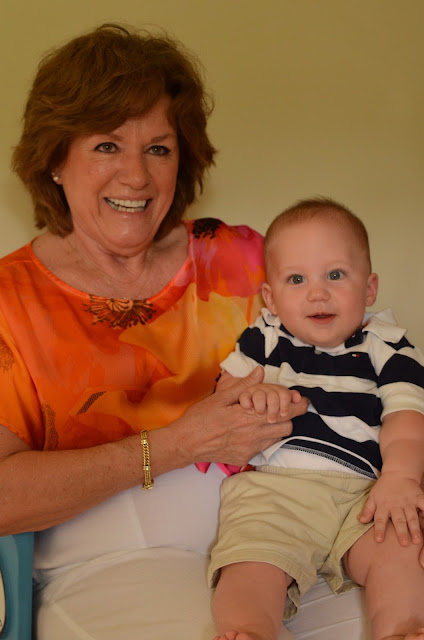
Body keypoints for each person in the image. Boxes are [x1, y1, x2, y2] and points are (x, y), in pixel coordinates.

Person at [0, 23, 419, 640]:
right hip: (119, 560)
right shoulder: (10, 302)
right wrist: (175, 445)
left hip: (310, 533)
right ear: (56, 159)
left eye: (158, 148)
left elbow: (367, 374)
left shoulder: (243, 260)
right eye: (107, 146)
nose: (136, 177)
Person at [209, 198, 424, 640]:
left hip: (366, 495)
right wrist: (253, 393)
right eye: (297, 279)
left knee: (402, 547)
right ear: (271, 297)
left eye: (336, 275)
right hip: (278, 490)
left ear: (369, 289)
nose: (317, 293)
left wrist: (401, 478)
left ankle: (402, 628)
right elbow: (222, 398)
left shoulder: (387, 344)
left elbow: (406, 417)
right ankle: (250, 629)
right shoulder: (265, 338)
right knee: (250, 562)